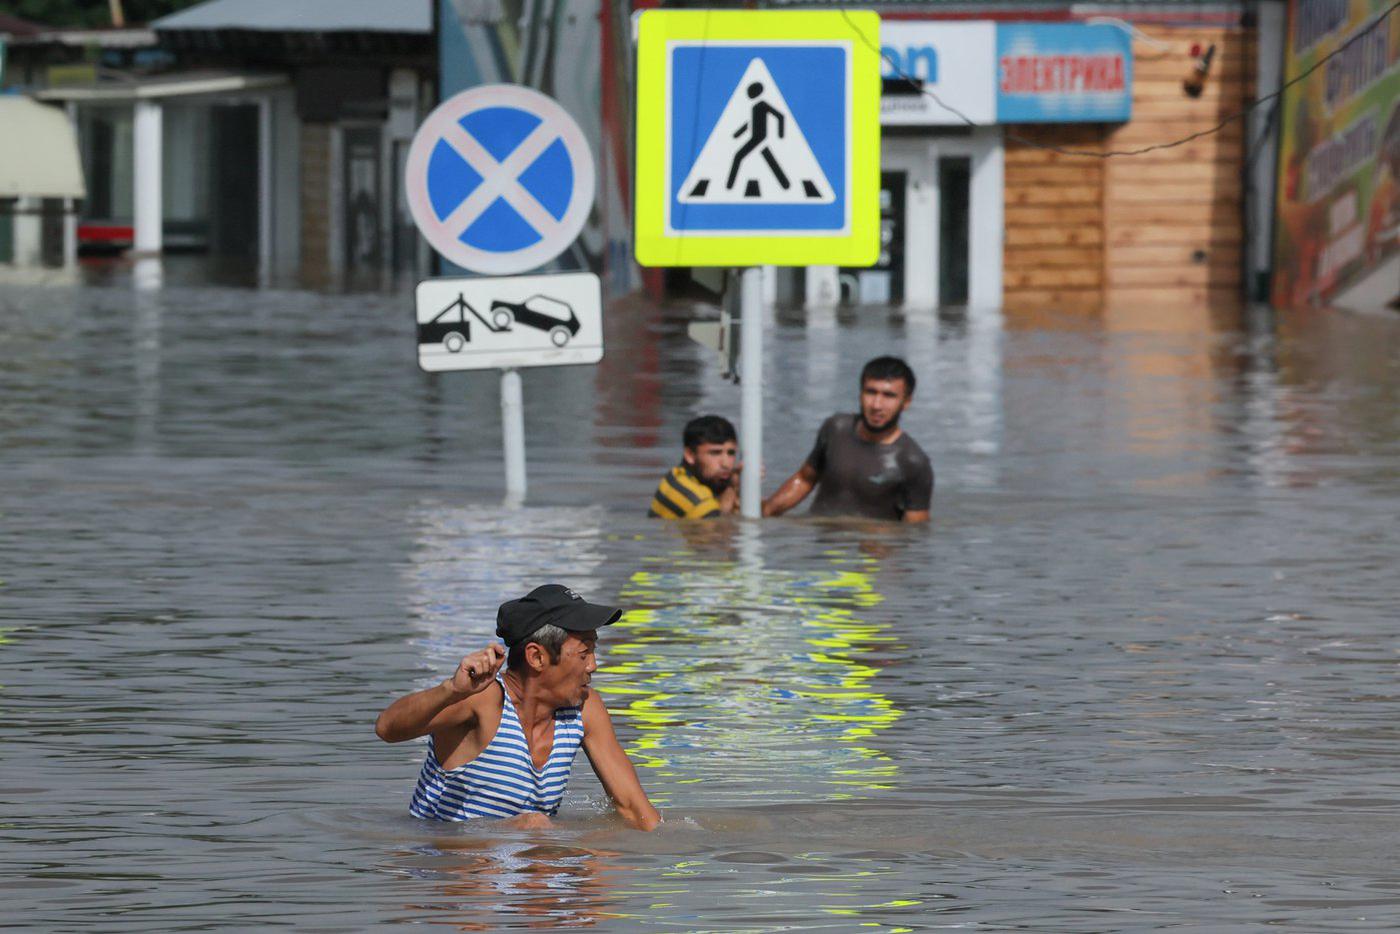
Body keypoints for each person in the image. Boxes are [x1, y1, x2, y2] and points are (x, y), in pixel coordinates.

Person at [375, 584, 661, 831]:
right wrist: (451, 690)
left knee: (598, 854)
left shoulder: (585, 708)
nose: (593, 666)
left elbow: (637, 813)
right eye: (584, 653)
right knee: (533, 826)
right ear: (536, 657)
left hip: (525, 873)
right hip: (447, 867)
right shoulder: (483, 700)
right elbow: (387, 729)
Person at [762, 356, 932, 523]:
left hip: (869, 548)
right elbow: (805, 479)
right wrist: (765, 512)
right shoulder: (836, 429)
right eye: (871, 392)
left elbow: (913, 535)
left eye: (889, 396)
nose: (876, 405)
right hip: (820, 543)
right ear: (860, 393)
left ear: (906, 402)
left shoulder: (913, 462)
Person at [647, 415, 740, 519]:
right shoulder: (700, 503)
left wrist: (733, 487)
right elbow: (719, 532)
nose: (726, 464)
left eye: (731, 453)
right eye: (715, 453)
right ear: (690, 455)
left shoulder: (675, 476)